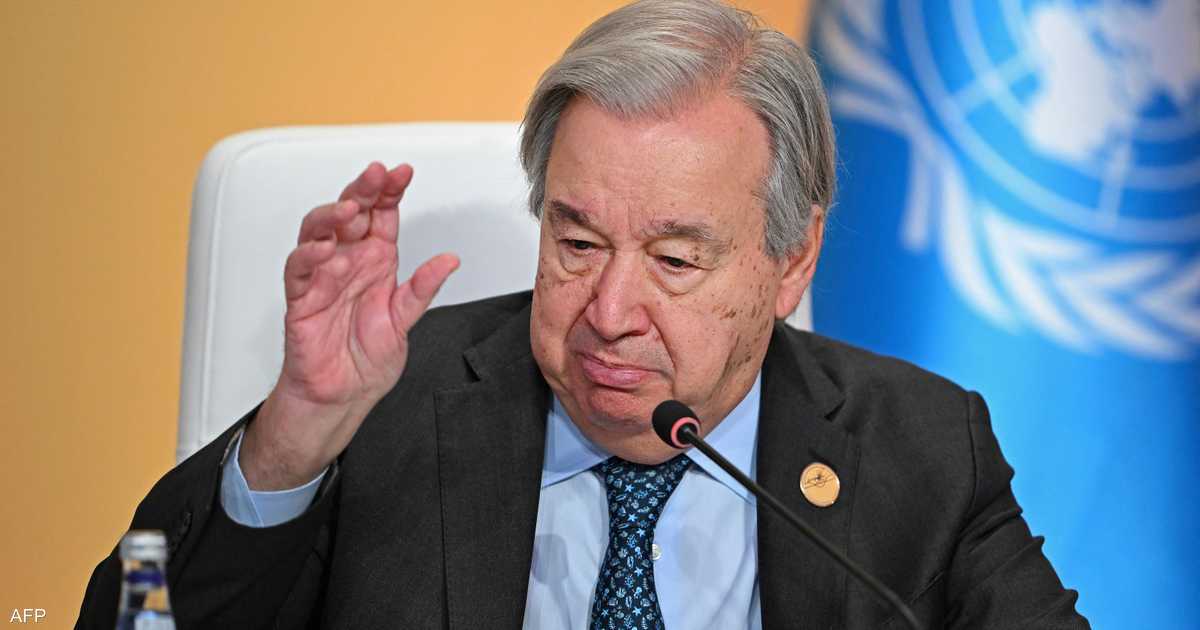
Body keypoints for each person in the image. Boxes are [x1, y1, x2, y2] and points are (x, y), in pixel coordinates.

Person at [77, 1, 1089, 628]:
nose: (607, 312)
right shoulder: (387, 404)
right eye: (577, 243)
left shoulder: (921, 449)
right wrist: (294, 438)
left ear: (792, 261)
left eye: (674, 260)